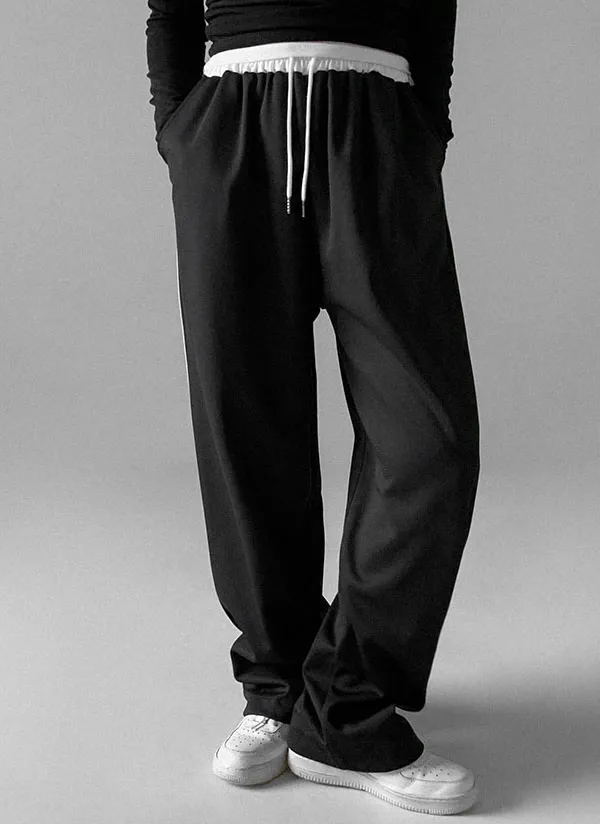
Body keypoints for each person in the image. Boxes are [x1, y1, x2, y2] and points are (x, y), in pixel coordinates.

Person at [145, 0, 481, 815]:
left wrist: (422, 128)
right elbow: (170, 6)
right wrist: (181, 131)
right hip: (232, 123)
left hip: (376, 121)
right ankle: (280, 686)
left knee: (428, 442)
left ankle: (346, 705)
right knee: (247, 425)